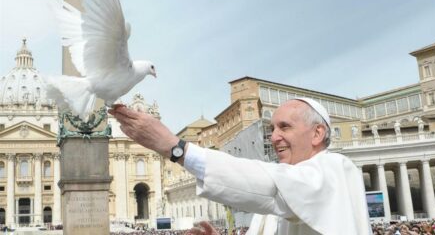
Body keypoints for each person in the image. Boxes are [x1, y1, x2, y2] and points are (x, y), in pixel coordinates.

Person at [109, 98, 372, 234]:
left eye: (285, 127)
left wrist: (175, 148)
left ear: (317, 134)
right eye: (271, 128)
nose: (274, 136)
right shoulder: (284, 194)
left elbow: (268, 184)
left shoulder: (336, 169)